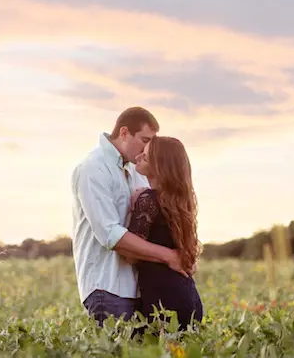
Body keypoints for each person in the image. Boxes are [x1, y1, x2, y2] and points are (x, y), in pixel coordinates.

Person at [71, 107, 190, 327]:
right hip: (108, 287)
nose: (148, 149)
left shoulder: (137, 169)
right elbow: (110, 235)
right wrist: (169, 256)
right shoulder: (93, 168)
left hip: (142, 289)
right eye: (144, 140)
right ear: (124, 133)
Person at [126, 136, 203, 331]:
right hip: (188, 297)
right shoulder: (178, 203)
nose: (139, 155)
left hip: (163, 303)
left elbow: (129, 253)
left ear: (160, 164)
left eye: (147, 153)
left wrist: (134, 207)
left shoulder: (148, 200)